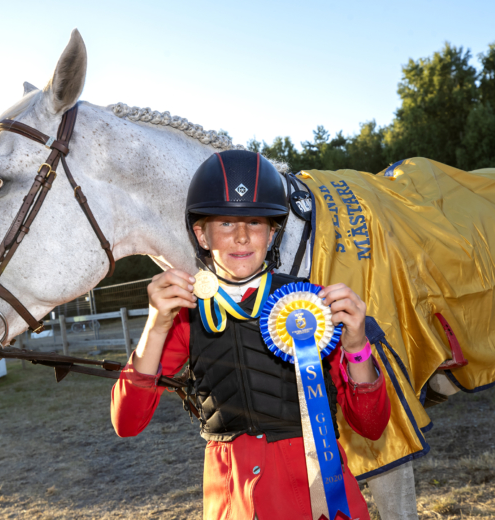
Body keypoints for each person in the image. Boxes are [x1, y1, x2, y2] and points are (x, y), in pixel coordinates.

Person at [111, 150, 391, 520]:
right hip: (231, 501)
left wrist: (356, 345)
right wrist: (156, 324)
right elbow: (127, 423)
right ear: (201, 233)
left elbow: (371, 427)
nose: (242, 237)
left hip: (316, 499)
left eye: (255, 222)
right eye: (226, 223)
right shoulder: (185, 313)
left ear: (273, 232)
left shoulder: (310, 306)